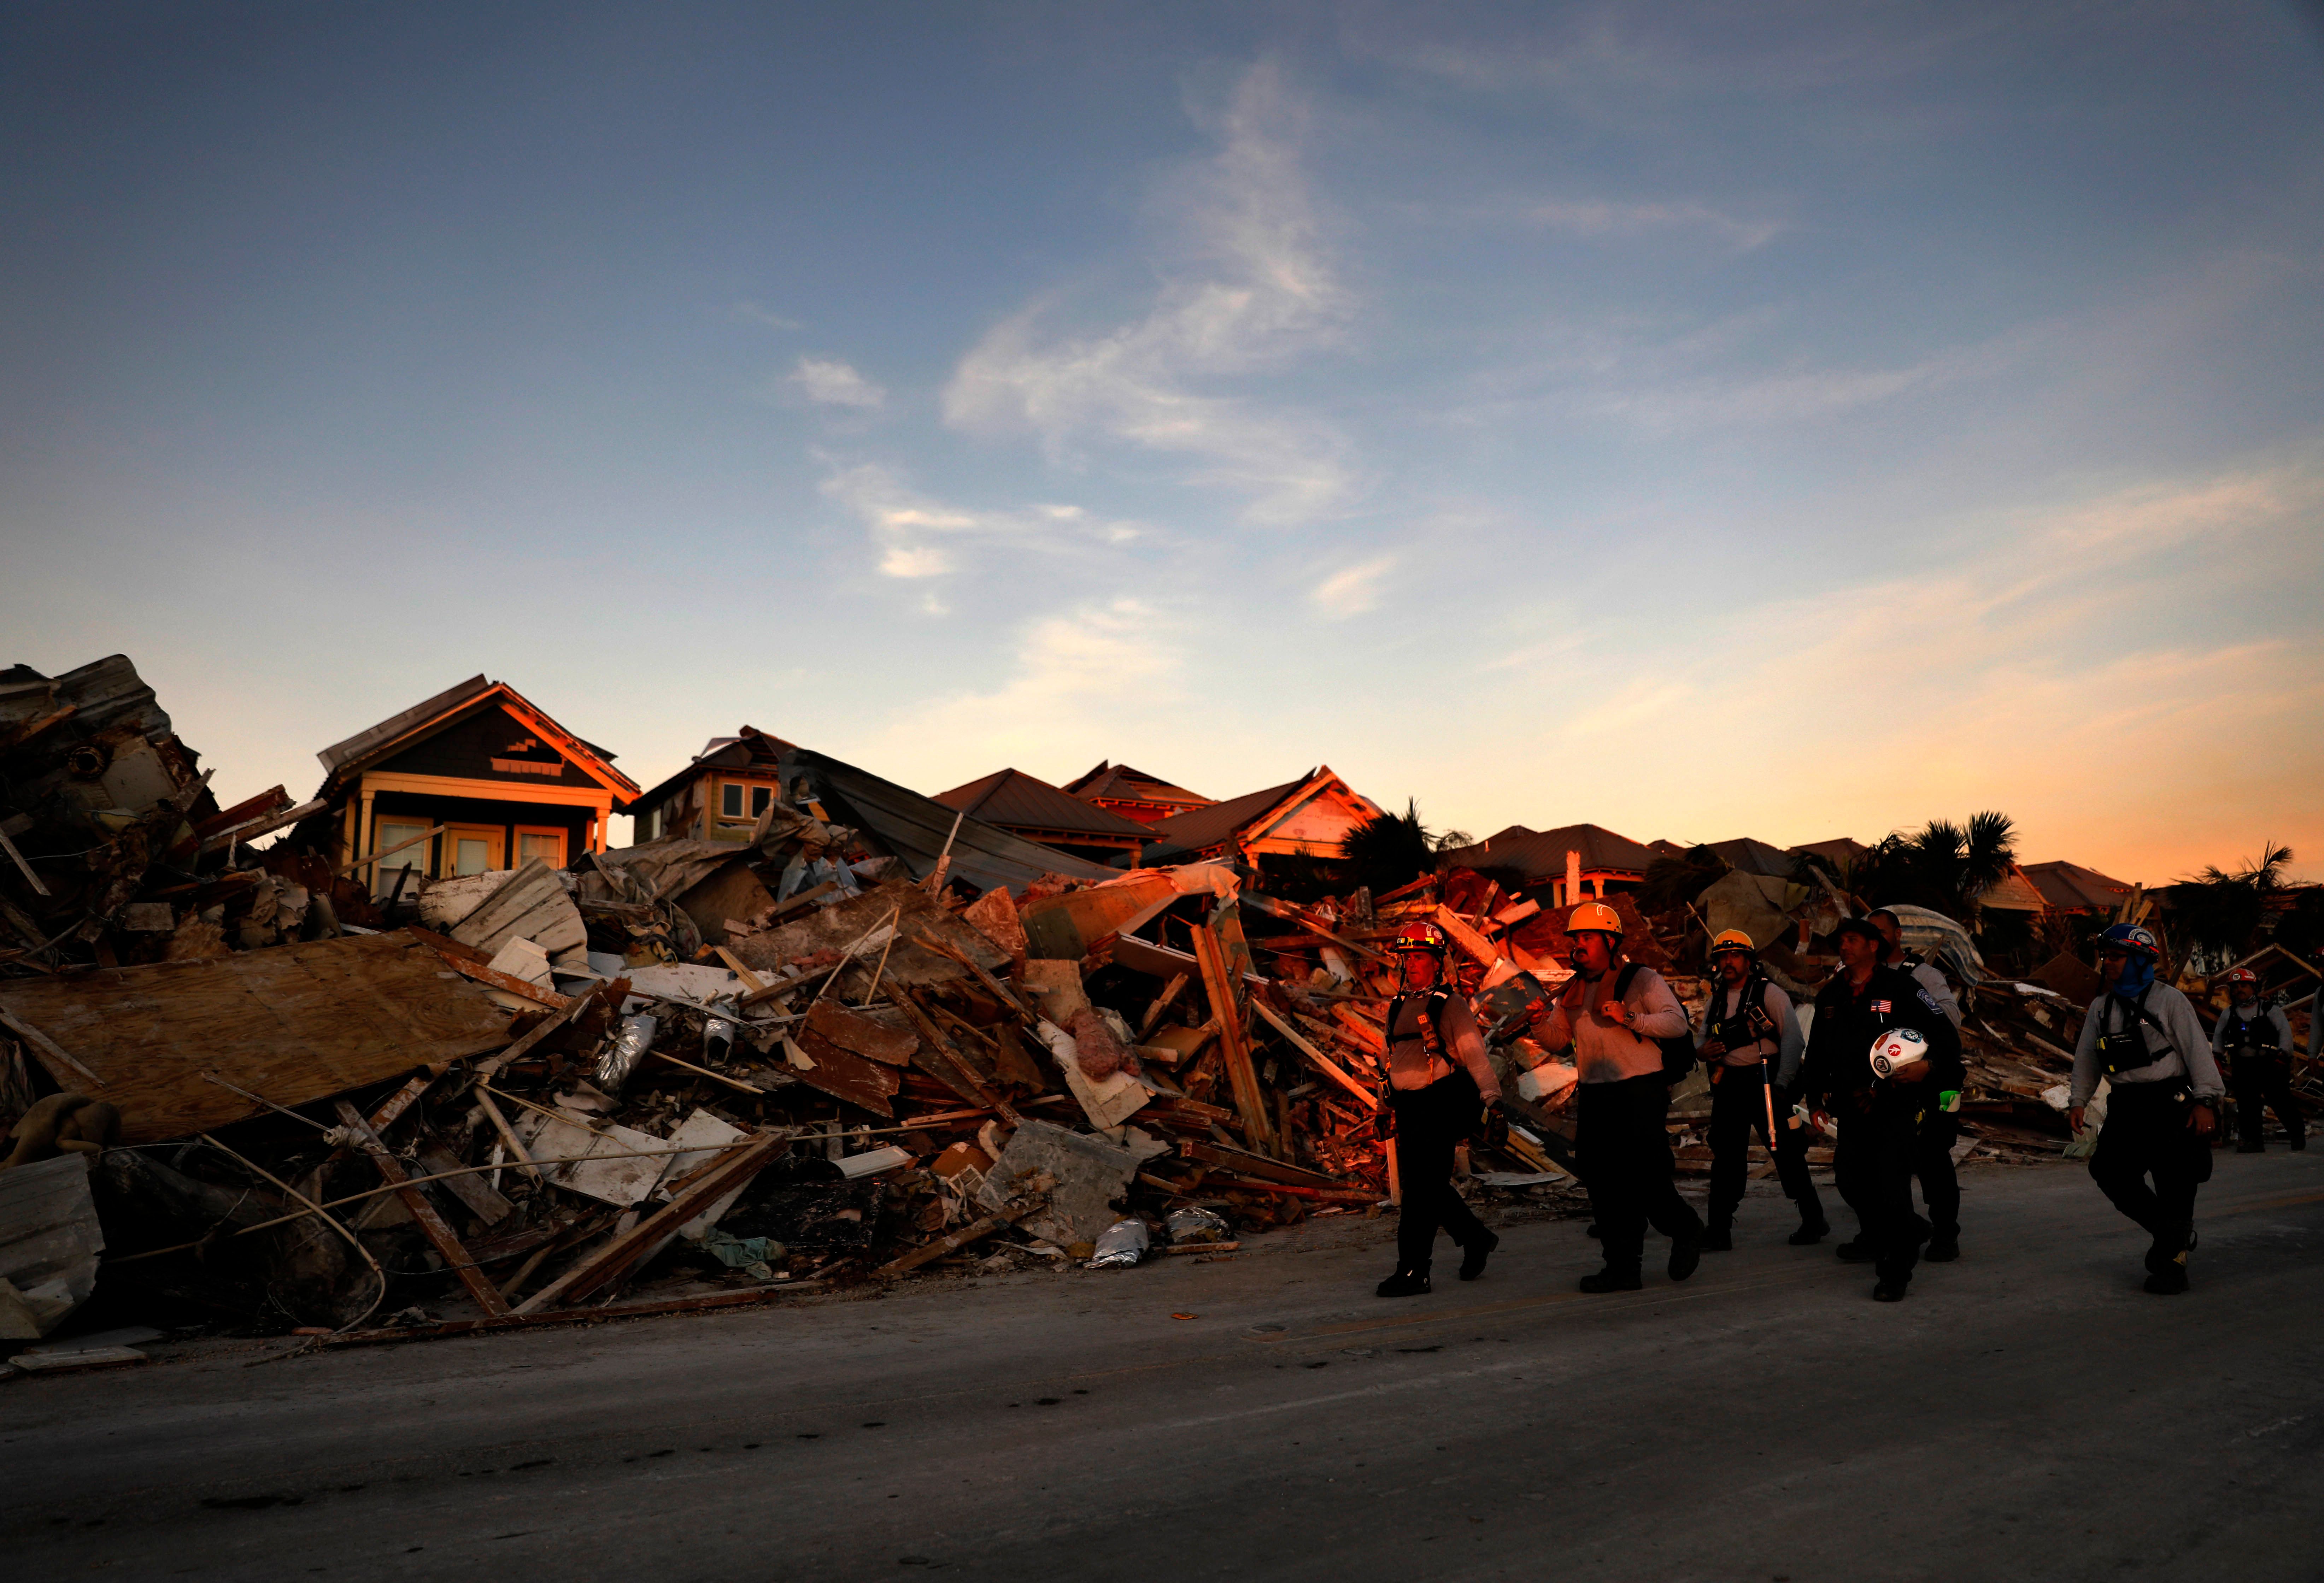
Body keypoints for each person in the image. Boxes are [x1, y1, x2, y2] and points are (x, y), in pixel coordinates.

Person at [1531, 900, 1703, 1293]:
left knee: (1646, 1181)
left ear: (1610, 940)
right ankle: (1623, 1268)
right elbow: (1559, 1040)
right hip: (1595, 1095)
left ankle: (1687, 1227)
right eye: (1575, 938)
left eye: (1587, 937)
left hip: (1640, 1092)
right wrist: (1539, 1020)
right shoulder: (1573, 988)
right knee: (1602, 1182)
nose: (1579, 945)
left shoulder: (1641, 979)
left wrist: (1630, 1017)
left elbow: (1677, 1024)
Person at [1795, 916, 1962, 1302]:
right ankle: (1908, 1228)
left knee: (1892, 1186)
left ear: (1874, 946)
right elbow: (1818, 1051)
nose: (1844, 946)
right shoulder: (1832, 995)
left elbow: (1944, 1037)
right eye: (1841, 940)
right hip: (1851, 1106)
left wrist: (1928, 1066)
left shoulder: (1902, 986)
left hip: (1896, 1104)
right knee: (1850, 1180)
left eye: (1853, 939)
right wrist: (1816, 1099)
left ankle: (1895, 1271)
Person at [2068, 923, 2222, 1295]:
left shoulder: (2170, 1000)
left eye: (2117, 957)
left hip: (2170, 1103)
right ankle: (2172, 1234)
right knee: (2108, 1170)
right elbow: (2087, 1057)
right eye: (2107, 957)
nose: (2109, 964)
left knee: (2175, 1184)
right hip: (2126, 1105)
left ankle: (2173, 1266)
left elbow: (2198, 1052)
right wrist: (2078, 1100)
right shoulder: (2100, 1007)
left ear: (2140, 960)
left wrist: (2206, 1102)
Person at [1373, 920, 1503, 1297]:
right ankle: (1476, 1238)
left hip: (1439, 1105)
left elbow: (1476, 1057)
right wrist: (1383, 1108)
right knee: (1428, 1186)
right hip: (1409, 1109)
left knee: (1420, 1194)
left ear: (1437, 962)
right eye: (1407, 957)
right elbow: (1389, 1059)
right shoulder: (1398, 1006)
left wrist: (1494, 1103)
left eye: (1419, 957)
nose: (1411, 963)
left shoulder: (1451, 1005)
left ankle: (1414, 1272)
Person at [1696, 929, 1826, 1248]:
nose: (1728, 962)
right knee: (1726, 1157)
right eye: (1723, 957)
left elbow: (1794, 1040)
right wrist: (1703, 1052)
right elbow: (1700, 1039)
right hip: (1730, 1086)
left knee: (1787, 1154)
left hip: (1767, 1083)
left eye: (1735, 955)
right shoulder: (1716, 1000)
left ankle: (1813, 1221)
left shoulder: (1770, 994)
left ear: (1749, 960)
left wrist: (1782, 1083)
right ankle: (1719, 1230)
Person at [1869, 908, 1967, 1262]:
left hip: (1937, 1081)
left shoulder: (1924, 975)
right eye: (1869, 932)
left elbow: (1951, 1022)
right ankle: (1903, 1227)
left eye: (1881, 931)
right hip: (1893, 1083)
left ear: (1897, 934)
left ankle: (1945, 1234)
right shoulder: (1865, 978)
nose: (1875, 938)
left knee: (1934, 1158)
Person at [2211, 966, 2302, 1153]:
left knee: (2280, 1101)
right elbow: (2219, 1035)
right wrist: (2217, 1056)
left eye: (2244, 986)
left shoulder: (2270, 1010)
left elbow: (2285, 1032)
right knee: (2247, 1104)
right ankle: (2253, 1141)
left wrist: (2284, 1055)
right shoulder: (2229, 1013)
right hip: (2243, 1065)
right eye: (2235, 987)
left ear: (2254, 988)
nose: (2239, 990)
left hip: (2271, 1064)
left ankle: (2297, 1134)